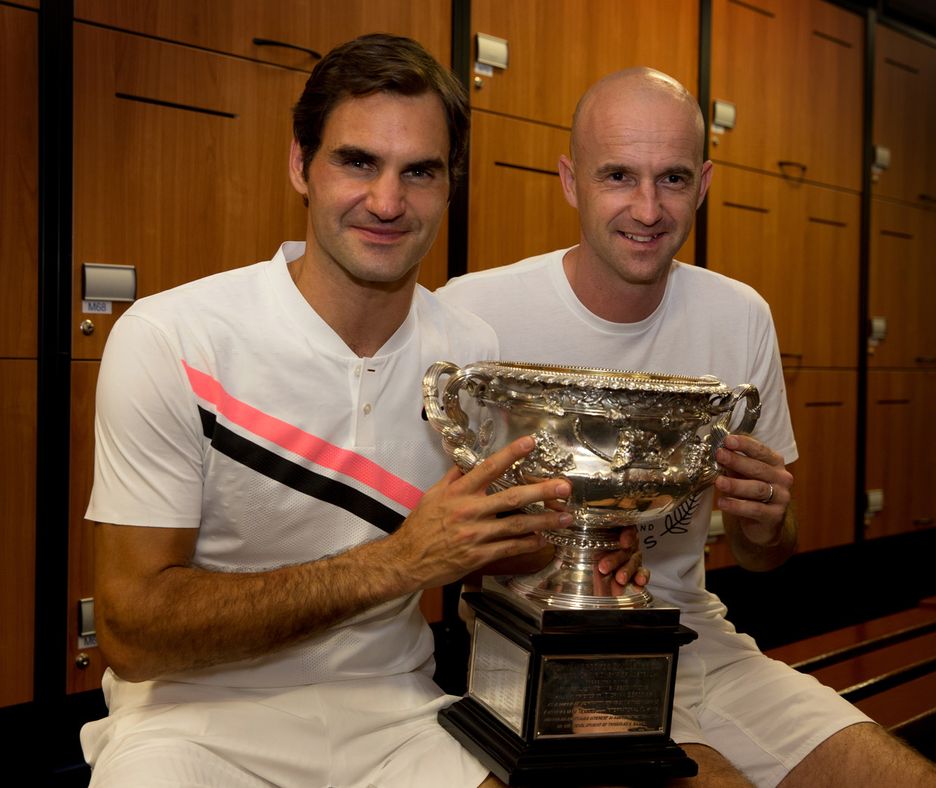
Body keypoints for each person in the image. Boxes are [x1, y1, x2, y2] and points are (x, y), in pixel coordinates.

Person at [79, 34, 613, 788]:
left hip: (396, 717)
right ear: (301, 165)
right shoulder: (173, 338)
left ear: (450, 184)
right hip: (192, 720)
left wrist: (571, 543)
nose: (388, 203)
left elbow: (482, 550)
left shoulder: (469, 353)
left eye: (419, 171)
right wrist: (398, 563)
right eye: (358, 162)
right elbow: (133, 632)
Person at [437, 68, 936, 786]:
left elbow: (765, 555)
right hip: (538, 645)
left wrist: (765, 522)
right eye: (618, 176)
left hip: (697, 637)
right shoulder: (476, 314)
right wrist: (561, 545)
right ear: (571, 181)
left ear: (704, 183)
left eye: (673, 179)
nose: (648, 209)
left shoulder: (739, 316)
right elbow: (434, 550)